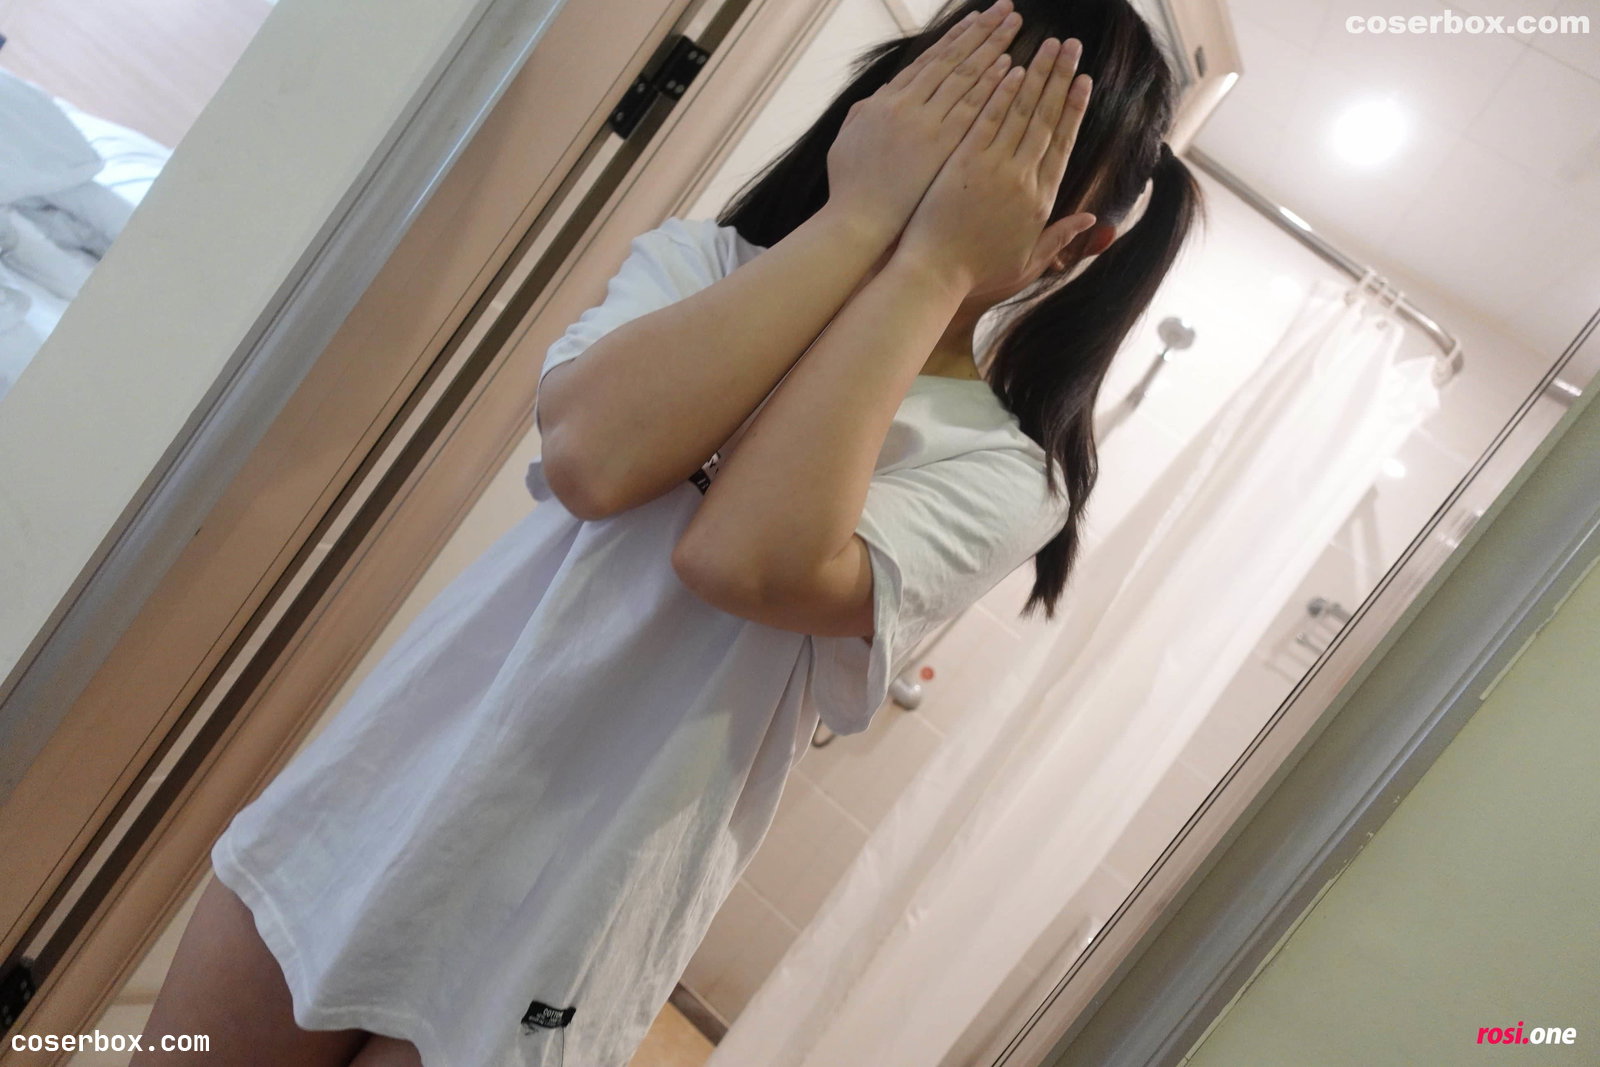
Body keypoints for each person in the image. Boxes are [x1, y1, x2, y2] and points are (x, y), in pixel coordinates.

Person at [132, 1, 1201, 1064]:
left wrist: (932, 266)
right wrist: (860, 220)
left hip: (575, 907)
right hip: (380, 790)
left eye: (1016, 158)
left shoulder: (1006, 472)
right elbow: (592, 460)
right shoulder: (704, 265)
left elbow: (739, 556)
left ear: (1077, 241)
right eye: (950, 108)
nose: (958, 163)